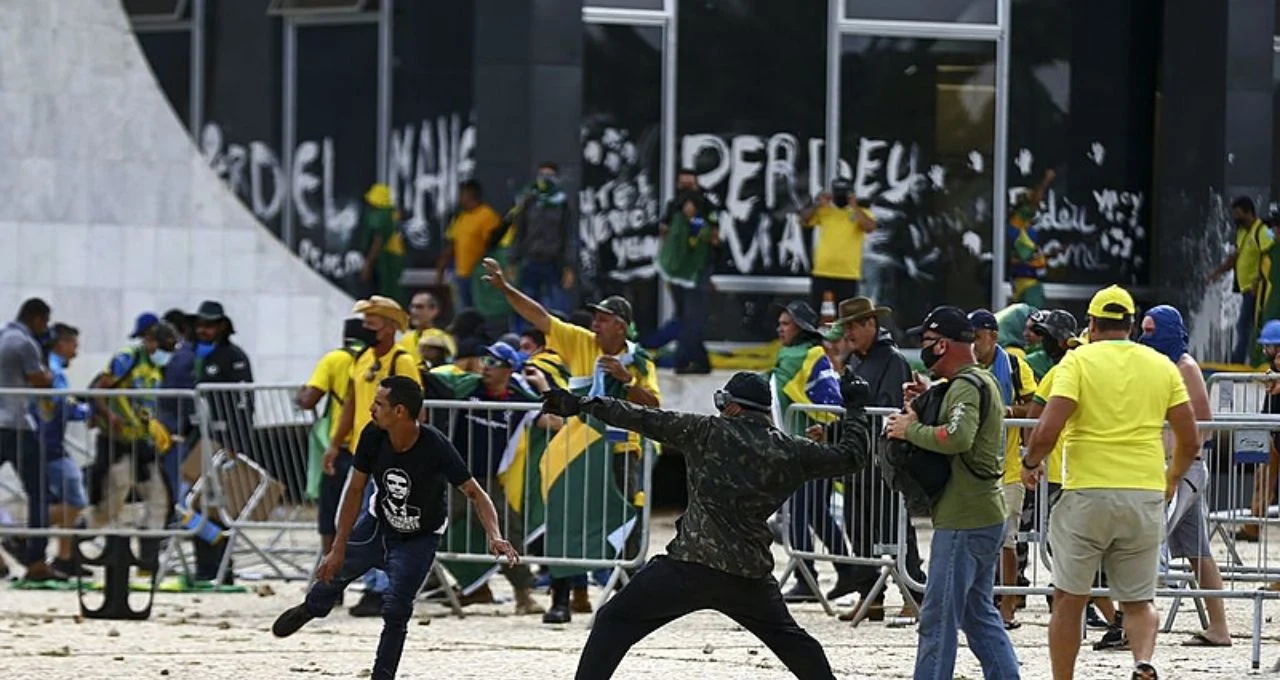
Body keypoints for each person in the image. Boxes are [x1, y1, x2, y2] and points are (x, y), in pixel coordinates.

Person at [536, 370, 875, 680]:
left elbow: (642, 417)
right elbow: (852, 456)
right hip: (748, 575)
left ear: (732, 408)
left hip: (689, 567)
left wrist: (581, 403)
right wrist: (856, 408)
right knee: (798, 646)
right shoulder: (791, 450)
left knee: (614, 620)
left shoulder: (706, 431)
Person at [272, 376, 519, 680]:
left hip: (420, 537)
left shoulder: (435, 445)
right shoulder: (373, 435)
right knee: (333, 575)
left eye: (378, 404)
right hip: (378, 524)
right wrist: (337, 547)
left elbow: (476, 494)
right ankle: (310, 609)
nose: (371, 409)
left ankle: (382, 675)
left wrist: (495, 536)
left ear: (399, 411)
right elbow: (354, 490)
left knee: (396, 610)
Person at [1024, 285, 1201, 680]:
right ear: (1132, 325)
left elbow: (1047, 429)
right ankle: (1142, 660)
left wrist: (1030, 462)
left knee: (1069, 599)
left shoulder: (1077, 362)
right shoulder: (1161, 366)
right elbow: (1190, 439)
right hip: (1144, 492)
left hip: (1087, 493)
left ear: (1091, 323)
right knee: (1139, 602)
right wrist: (1172, 480)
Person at [481, 256, 659, 623]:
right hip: (577, 449)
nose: (594, 324)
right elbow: (540, 317)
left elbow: (654, 404)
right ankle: (561, 599)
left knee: (626, 523)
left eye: (603, 319)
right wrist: (504, 289)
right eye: (594, 318)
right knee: (565, 520)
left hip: (621, 451)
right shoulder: (582, 343)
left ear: (621, 326)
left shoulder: (640, 361)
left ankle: (626, 601)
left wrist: (627, 380)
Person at [885, 306, 1019, 680]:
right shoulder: (979, 381)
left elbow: (958, 437)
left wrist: (906, 430)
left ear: (942, 345)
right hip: (983, 515)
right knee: (978, 617)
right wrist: (927, 401)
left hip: (964, 519)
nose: (923, 351)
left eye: (926, 342)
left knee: (938, 618)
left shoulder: (965, 386)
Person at [817, 297, 926, 620]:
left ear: (870, 325)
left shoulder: (891, 361)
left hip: (883, 462)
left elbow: (885, 408)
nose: (847, 333)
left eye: (853, 326)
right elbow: (855, 411)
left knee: (895, 528)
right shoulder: (855, 361)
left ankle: (915, 593)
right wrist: (832, 434)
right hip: (858, 462)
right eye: (845, 326)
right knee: (860, 530)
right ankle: (872, 598)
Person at [1139, 305, 1232, 647]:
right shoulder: (1161, 365)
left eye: (1151, 330)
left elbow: (1203, 424)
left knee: (1148, 540)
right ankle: (1219, 628)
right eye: (1143, 329)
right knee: (1199, 554)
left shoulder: (1185, 366)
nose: (1145, 336)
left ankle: (1133, 623)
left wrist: (1173, 460)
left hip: (1184, 469)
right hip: (1176, 467)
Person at [323, 296, 421, 617]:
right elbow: (351, 403)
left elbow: (417, 408)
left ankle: (380, 588)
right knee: (359, 520)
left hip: (392, 451)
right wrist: (335, 443)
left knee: (383, 522)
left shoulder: (402, 361)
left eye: (371, 322)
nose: (364, 328)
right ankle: (366, 584)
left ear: (390, 326)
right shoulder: (362, 357)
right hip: (363, 450)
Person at [768, 301, 846, 603]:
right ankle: (847, 570)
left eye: (785, 323)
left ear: (799, 327)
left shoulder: (812, 356)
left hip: (812, 450)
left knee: (801, 514)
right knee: (814, 514)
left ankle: (807, 577)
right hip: (798, 450)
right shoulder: (791, 356)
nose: (779, 328)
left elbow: (829, 402)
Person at [87, 320, 179, 570]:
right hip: (117, 442)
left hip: (142, 443)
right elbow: (99, 391)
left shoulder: (157, 369)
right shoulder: (127, 358)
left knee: (159, 499)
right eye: (163, 347)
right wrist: (111, 418)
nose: (166, 355)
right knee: (113, 499)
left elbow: (145, 403)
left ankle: (148, 564)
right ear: (150, 341)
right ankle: (77, 541)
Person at [970, 308, 1037, 629]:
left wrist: (1008, 409)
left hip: (1008, 465)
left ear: (992, 336)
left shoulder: (1012, 364)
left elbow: (1036, 407)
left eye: (977, 337)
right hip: (972, 466)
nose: (972, 344)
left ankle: (1008, 603)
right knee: (972, 536)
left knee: (1007, 540)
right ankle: (979, 600)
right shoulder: (964, 366)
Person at [298, 317, 376, 560]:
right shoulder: (373, 361)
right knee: (366, 513)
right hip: (372, 446)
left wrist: (300, 395)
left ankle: (332, 574)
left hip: (342, 447)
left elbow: (310, 399)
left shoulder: (334, 359)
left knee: (332, 513)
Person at [189, 300, 253, 584]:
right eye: (201, 324)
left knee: (220, 507)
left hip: (223, 442)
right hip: (197, 441)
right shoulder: (191, 354)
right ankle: (204, 566)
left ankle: (222, 568)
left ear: (222, 326)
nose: (204, 330)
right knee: (194, 504)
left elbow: (244, 402)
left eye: (210, 325)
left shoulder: (233, 356)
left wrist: (236, 444)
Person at [0, 298, 58, 580]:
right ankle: (36, 560)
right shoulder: (24, 343)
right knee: (39, 492)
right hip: (17, 425)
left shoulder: (2, 336)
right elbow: (41, 380)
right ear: (37, 318)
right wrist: (48, 369)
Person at [33, 323, 91, 575]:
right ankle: (23, 530)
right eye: (74, 346)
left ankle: (65, 556)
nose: (75, 353)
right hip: (49, 444)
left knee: (66, 500)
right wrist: (87, 411)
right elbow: (61, 404)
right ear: (61, 344)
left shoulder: (49, 366)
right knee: (76, 500)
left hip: (48, 442)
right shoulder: (54, 369)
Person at [1209, 197, 1275, 365]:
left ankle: (1242, 360)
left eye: (1239, 214)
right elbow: (1235, 257)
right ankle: (1247, 358)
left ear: (1249, 212)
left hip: (1258, 290)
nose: (1235, 219)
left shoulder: (1262, 232)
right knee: (1247, 325)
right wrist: (1217, 273)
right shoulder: (1242, 232)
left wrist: (1258, 281)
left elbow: (1269, 257)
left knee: (1246, 325)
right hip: (1247, 290)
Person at [800, 178, 877, 311]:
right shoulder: (825, 210)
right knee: (813, 313)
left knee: (845, 317)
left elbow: (869, 227)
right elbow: (804, 219)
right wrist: (817, 203)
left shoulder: (861, 212)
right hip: (822, 270)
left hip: (848, 273)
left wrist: (855, 206)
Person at [509, 163, 575, 316]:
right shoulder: (529, 201)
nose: (545, 179)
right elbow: (519, 232)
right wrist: (512, 262)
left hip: (553, 263)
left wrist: (569, 267)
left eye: (549, 176)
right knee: (527, 307)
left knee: (556, 309)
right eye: (542, 175)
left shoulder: (562, 203)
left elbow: (568, 236)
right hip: (530, 261)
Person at [438, 180, 504, 310]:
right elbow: (452, 243)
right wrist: (441, 267)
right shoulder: (461, 217)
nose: (459, 198)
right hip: (461, 273)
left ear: (470, 194)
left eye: (462, 194)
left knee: (480, 310)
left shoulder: (487, 215)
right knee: (462, 309)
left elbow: (493, 245)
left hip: (479, 274)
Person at [1008, 169, 1056, 308]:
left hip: (1031, 281)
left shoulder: (1029, 228)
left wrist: (1050, 255)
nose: (1035, 208)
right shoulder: (1015, 226)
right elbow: (1019, 258)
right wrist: (1046, 181)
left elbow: (1032, 257)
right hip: (1023, 284)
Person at [358, 183, 406, 305]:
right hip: (395, 256)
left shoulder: (381, 216)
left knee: (384, 294)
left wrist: (368, 264)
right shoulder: (392, 213)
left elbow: (378, 240)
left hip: (386, 257)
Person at [400, 291, 455, 367]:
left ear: (434, 310)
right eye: (412, 307)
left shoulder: (442, 338)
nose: (414, 311)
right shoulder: (405, 339)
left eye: (419, 307)